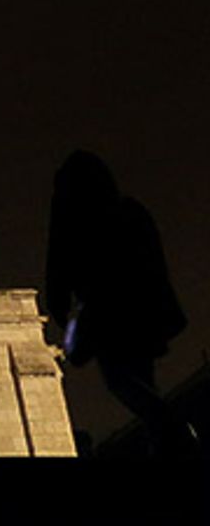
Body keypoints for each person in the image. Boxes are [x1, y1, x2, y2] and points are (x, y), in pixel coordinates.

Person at [45, 150, 197, 456]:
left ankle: (174, 433)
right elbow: (155, 262)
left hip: (109, 316)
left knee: (122, 380)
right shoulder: (129, 210)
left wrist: (62, 308)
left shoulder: (77, 218)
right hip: (142, 312)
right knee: (139, 379)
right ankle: (167, 442)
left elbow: (58, 266)